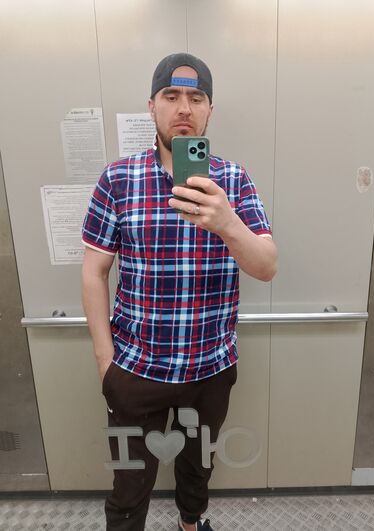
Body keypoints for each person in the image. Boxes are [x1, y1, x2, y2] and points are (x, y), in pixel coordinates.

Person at [81, 52, 278, 531]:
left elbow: (266, 266)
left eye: (196, 97)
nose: (184, 108)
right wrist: (106, 363)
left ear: (210, 109)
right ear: (152, 106)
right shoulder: (118, 179)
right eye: (171, 96)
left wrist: (226, 221)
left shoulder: (233, 181)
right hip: (136, 368)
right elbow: (94, 271)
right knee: (129, 484)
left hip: (210, 369)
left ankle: (191, 524)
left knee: (197, 468)